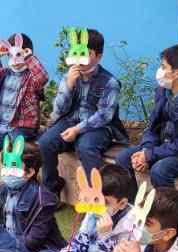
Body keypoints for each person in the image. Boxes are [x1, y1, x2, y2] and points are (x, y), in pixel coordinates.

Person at [38, 28, 128, 197]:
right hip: (70, 121)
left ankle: (95, 196)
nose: (79, 58)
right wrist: (68, 86)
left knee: (86, 148)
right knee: (45, 142)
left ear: (98, 57)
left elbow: (104, 115)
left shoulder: (110, 82)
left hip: (99, 127)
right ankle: (51, 189)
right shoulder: (69, 76)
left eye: (86, 53)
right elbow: (58, 110)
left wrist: (77, 130)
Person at [115, 44, 178, 188]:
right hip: (164, 147)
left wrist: (151, 155)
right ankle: (132, 201)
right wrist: (146, 150)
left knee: (160, 170)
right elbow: (153, 127)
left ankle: (168, 203)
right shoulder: (163, 92)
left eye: (163, 67)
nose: (160, 71)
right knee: (123, 159)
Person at [0, 32, 48, 187]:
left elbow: (43, 78)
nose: (15, 61)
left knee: (18, 155)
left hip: (21, 125)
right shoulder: (1, 74)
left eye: (19, 55)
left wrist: (29, 58)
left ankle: (26, 185)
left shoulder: (31, 77)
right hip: (2, 125)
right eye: (10, 55)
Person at [0, 143, 65, 252]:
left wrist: (5, 246)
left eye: (13, 167)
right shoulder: (1, 189)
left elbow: (33, 240)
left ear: (30, 172)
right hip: (11, 244)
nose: (7, 172)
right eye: (5, 165)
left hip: (40, 249)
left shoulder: (43, 199)